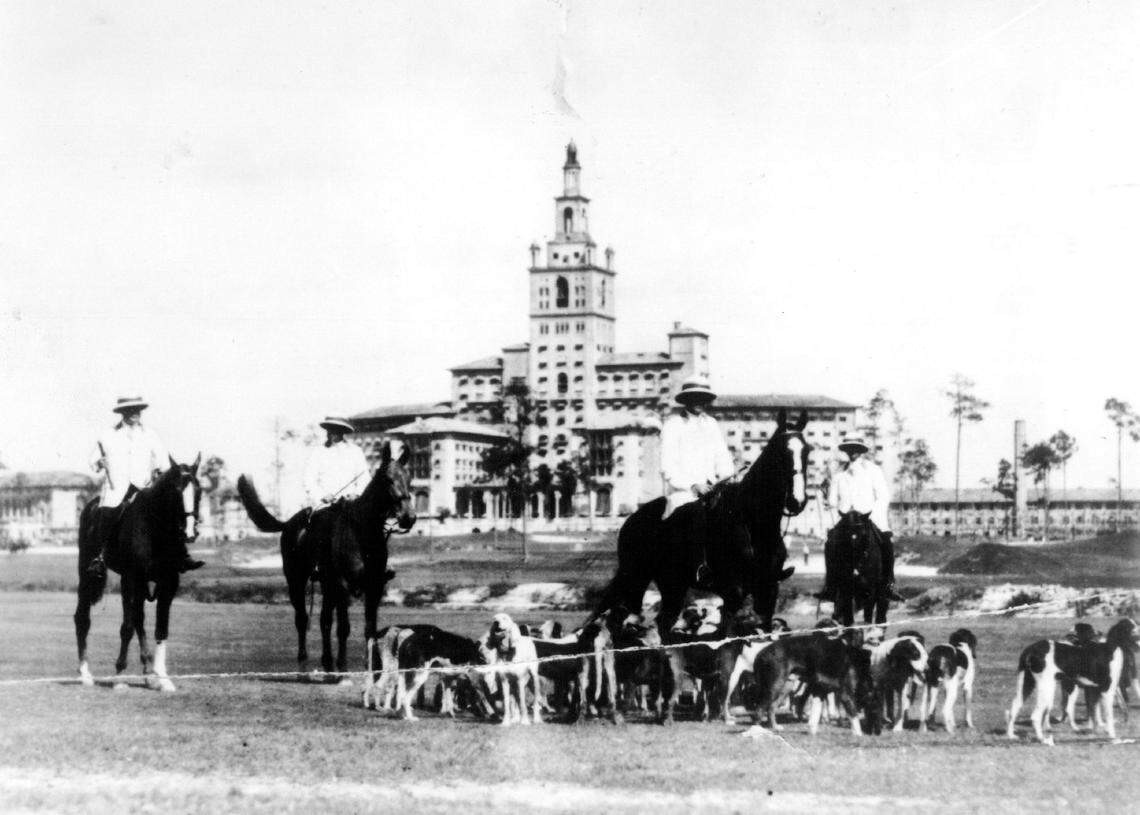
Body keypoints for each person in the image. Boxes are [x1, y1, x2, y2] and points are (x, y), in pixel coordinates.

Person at [87, 396, 204, 578]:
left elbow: (164, 463)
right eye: (131, 410)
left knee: (170, 516)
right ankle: (100, 558)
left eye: (138, 410)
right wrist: (100, 463)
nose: (136, 414)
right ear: (122, 413)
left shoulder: (150, 434)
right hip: (116, 488)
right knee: (108, 515)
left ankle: (182, 555)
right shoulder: (107, 435)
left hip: (145, 488)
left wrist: (161, 474)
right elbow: (93, 462)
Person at [659, 376, 735, 585]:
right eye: (695, 397)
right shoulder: (673, 425)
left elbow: (722, 456)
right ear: (686, 400)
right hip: (684, 492)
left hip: (712, 489)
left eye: (703, 398)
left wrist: (728, 475)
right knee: (697, 516)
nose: (700, 402)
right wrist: (693, 484)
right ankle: (699, 567)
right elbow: (668, 466)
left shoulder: (711, 424)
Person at [815, 437, 904, 602]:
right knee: (830, 544)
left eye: (855, 448)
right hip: (845, 519)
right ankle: (831, 586)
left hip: (868, 517)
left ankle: (888, 584)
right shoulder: (839, 474)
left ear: (862, 450)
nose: (852, 452)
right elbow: (833, 502)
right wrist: (833, 515)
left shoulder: (874, 470)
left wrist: (874, 517)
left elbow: (883, 496)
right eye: (849, 449)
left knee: (886, 542)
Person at [303, 417, 370, 511]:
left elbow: (364, 477)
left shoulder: (355, 451)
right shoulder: (318, 452)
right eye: (329, 429)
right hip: (324, 507)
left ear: (342, 431)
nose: (331, 433)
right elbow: (309, 480)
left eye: (336, 429)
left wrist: (356, 493)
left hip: (351, 507)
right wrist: (322, 495)